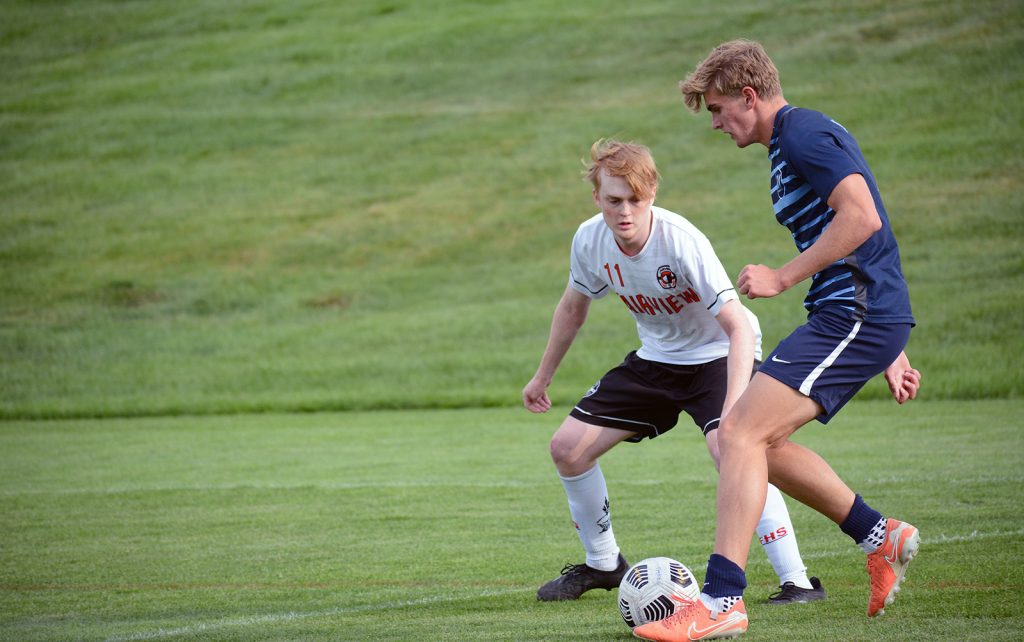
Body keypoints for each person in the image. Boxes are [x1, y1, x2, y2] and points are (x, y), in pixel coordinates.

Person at [632, 40, 922, 641]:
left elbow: (863, 217)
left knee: (737, 432)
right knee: (760, 440)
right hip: (856, 316)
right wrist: (890, 344)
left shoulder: (801, 136)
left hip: (854, 314)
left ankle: (720, 601)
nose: (715, 124)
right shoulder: (797, 138)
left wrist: (782, 277)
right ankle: (880, 536)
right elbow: (861, 232)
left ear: (749, 95)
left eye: (717, 110)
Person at [522, 139, 827, 607]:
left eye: (635, 200)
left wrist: (733, 417)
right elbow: (572, 307)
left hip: (719, 357)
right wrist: (542, 377)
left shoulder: (680, 240)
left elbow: (739, 327)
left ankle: (798, 581)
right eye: (613, 200)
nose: (625, 211)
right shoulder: (589, 239)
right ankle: (604, 563)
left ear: (652, 195)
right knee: (566, 449)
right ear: (596, 197)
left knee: (733, 451)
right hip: (657, 360)